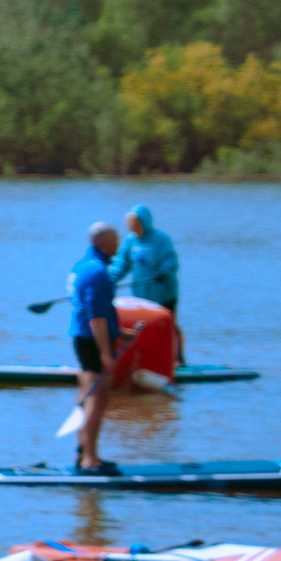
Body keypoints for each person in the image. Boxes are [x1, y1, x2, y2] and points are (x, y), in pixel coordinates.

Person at [70, 223, 124, 475]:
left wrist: (120, 333)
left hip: (83, 337)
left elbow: (94, 310)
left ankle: (84, 452)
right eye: (115, 239)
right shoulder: (98, 272)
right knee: (97, 398)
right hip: (92, 340)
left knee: (86, 395)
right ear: (102, 242)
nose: (119, 244)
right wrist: (105, 352)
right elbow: (95, 316)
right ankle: (90, 460)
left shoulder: (82, 265)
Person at [110, 203, 183, 363]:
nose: (132, 227)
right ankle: (147, 358)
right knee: (145, 327)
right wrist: (110, 279)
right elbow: (122, 263)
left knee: (169, 326)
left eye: (135, 224)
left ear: (144, 222)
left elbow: (171, 260)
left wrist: (164, 272)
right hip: (142, 295)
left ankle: (178, 359)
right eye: (130, 224)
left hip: (164, 292)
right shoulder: (130, 241)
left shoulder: (160, 239)